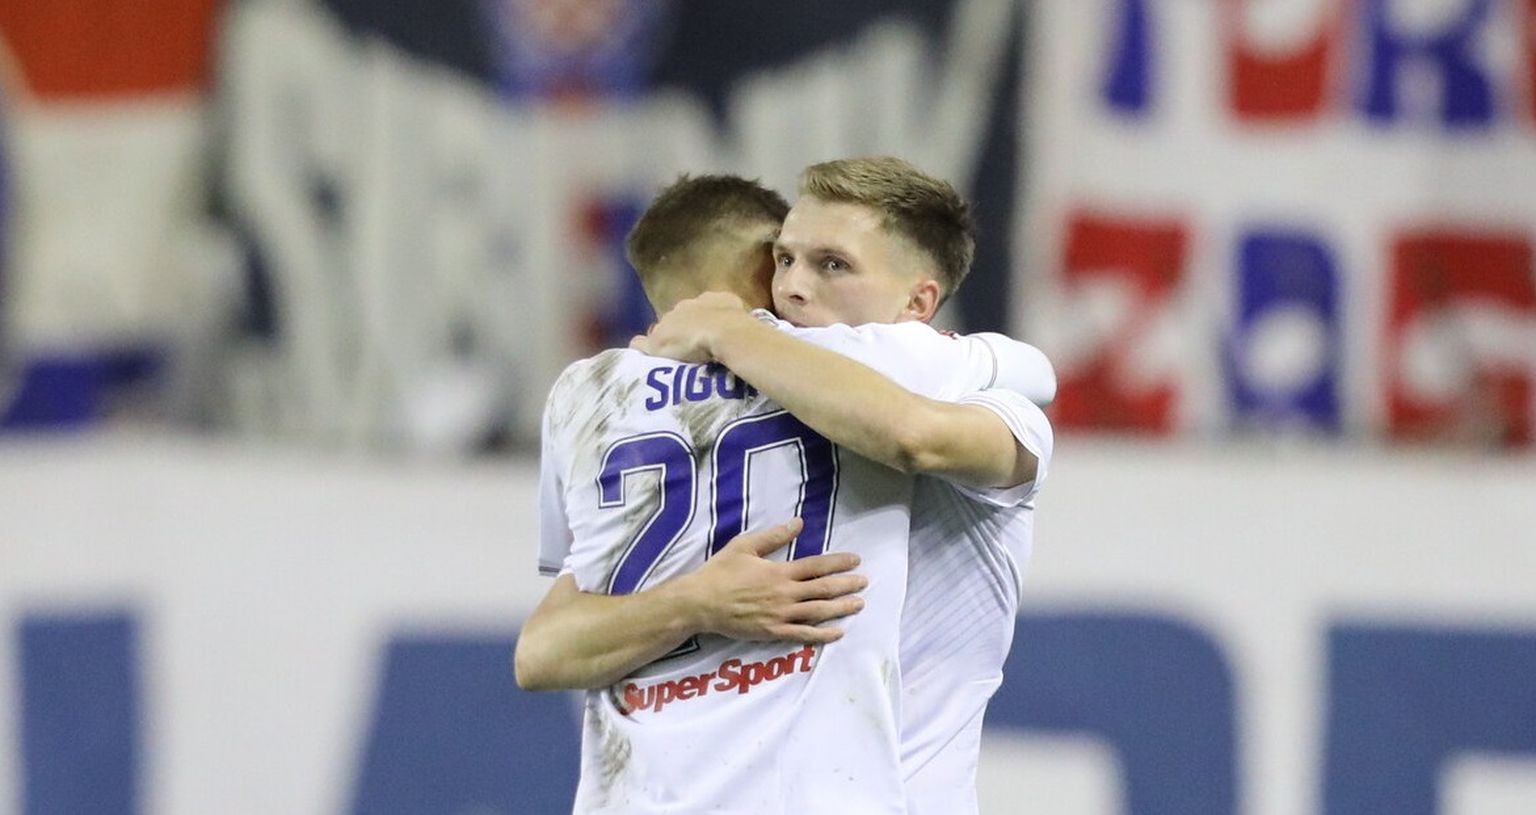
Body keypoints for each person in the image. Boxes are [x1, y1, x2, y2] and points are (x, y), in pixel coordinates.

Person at [519, 171, 1049, 814]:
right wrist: (695, 603)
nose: (794, 287)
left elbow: (914, 435)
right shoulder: (855, 375)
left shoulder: (595, 393)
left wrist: (731, 331)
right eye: (785, 260)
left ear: (919, 302)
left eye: (832, 265)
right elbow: (539, 650)